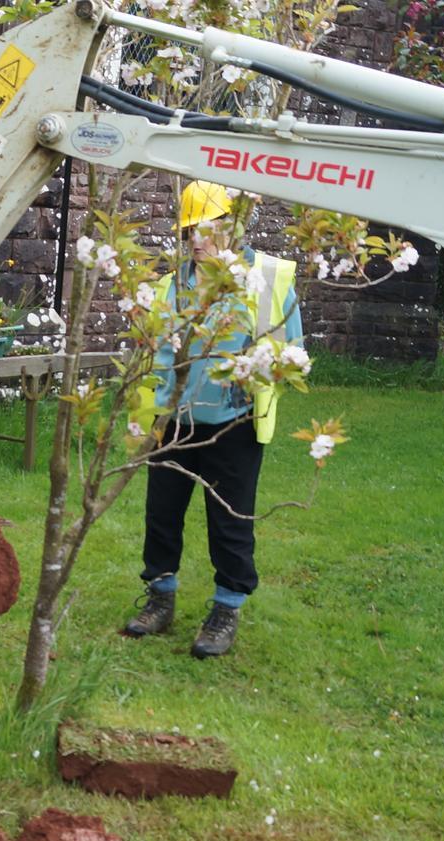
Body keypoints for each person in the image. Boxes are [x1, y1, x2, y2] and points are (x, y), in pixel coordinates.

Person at [121, 180, 302, 658]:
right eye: (188, 232)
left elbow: (292, 354)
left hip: (235, 423)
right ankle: (160, 598)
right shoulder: (170, 284)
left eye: (205, 229)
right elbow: (151, 353)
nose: (195, 241)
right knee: (162, 515)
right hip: (174, 422)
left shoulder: (268, 278)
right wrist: (148, 417)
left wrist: (259, 367)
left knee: (230, 520)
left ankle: (226, 609)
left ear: (234, 224)